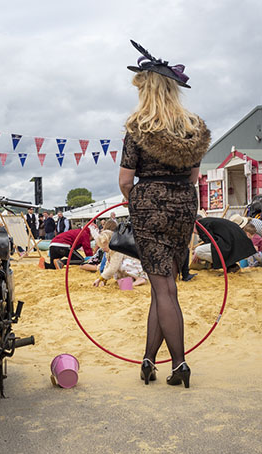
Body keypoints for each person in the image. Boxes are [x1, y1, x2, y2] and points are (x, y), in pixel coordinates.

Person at [118, 40, 212, 388]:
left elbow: (126, 180)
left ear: (148, 91)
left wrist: (139, 200)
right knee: (164, 287)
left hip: (150, 207)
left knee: (163, 290)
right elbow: (193, 176)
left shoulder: (138, 126)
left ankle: (179, 364)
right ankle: (147, 360)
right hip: (184, 206)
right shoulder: (193, 127)